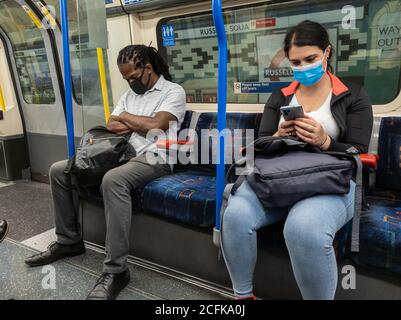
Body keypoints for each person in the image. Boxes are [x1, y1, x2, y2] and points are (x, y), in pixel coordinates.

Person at [221, 20, 373, 300]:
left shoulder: (353, 96)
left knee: (303, 228)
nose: (303, 66)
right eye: (296, 62)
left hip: (332, 181)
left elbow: (359, 152)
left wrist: (325, 141)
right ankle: (242, 296)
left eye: (311, 59)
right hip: (282, 177)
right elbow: (259, 146)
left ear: (327, 52)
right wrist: (278, 135)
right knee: (235, 215)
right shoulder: (280, 97)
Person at [24, 45, 186, 300]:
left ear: (148, 68)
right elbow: (111, 124)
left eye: (133, 77)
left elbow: (157, 126)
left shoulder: (173, 92)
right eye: (126, 79)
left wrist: (127, 118)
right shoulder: (130, 94)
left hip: (157, 155)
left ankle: (116, 270)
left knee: (113, 180)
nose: (130, 83)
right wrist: (135, 123)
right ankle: (69, 241)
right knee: (58, 170)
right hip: (122, 152)